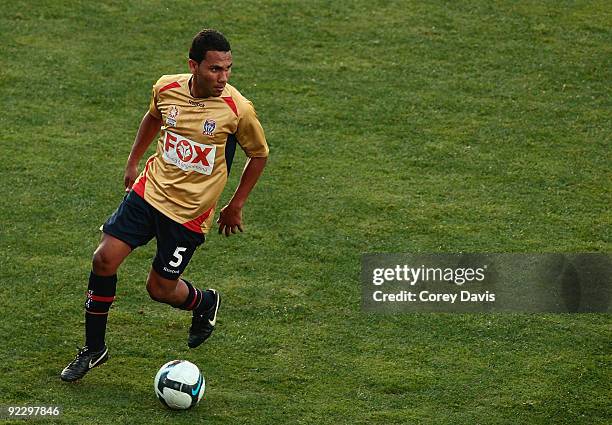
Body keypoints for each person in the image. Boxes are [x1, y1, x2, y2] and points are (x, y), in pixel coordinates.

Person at [61, 29, 269, 382]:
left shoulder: (238, 109)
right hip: (149, 192)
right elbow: (153, 116)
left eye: (228, 69)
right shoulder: (167, 88)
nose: (223, 77)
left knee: (159, 290)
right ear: (194, 66)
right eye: (215, 69)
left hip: (189, 214)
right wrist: (133, 160)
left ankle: (204, 302)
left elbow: (259, 154)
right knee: (104, 259)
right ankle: (94, 349)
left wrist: (236, 205)